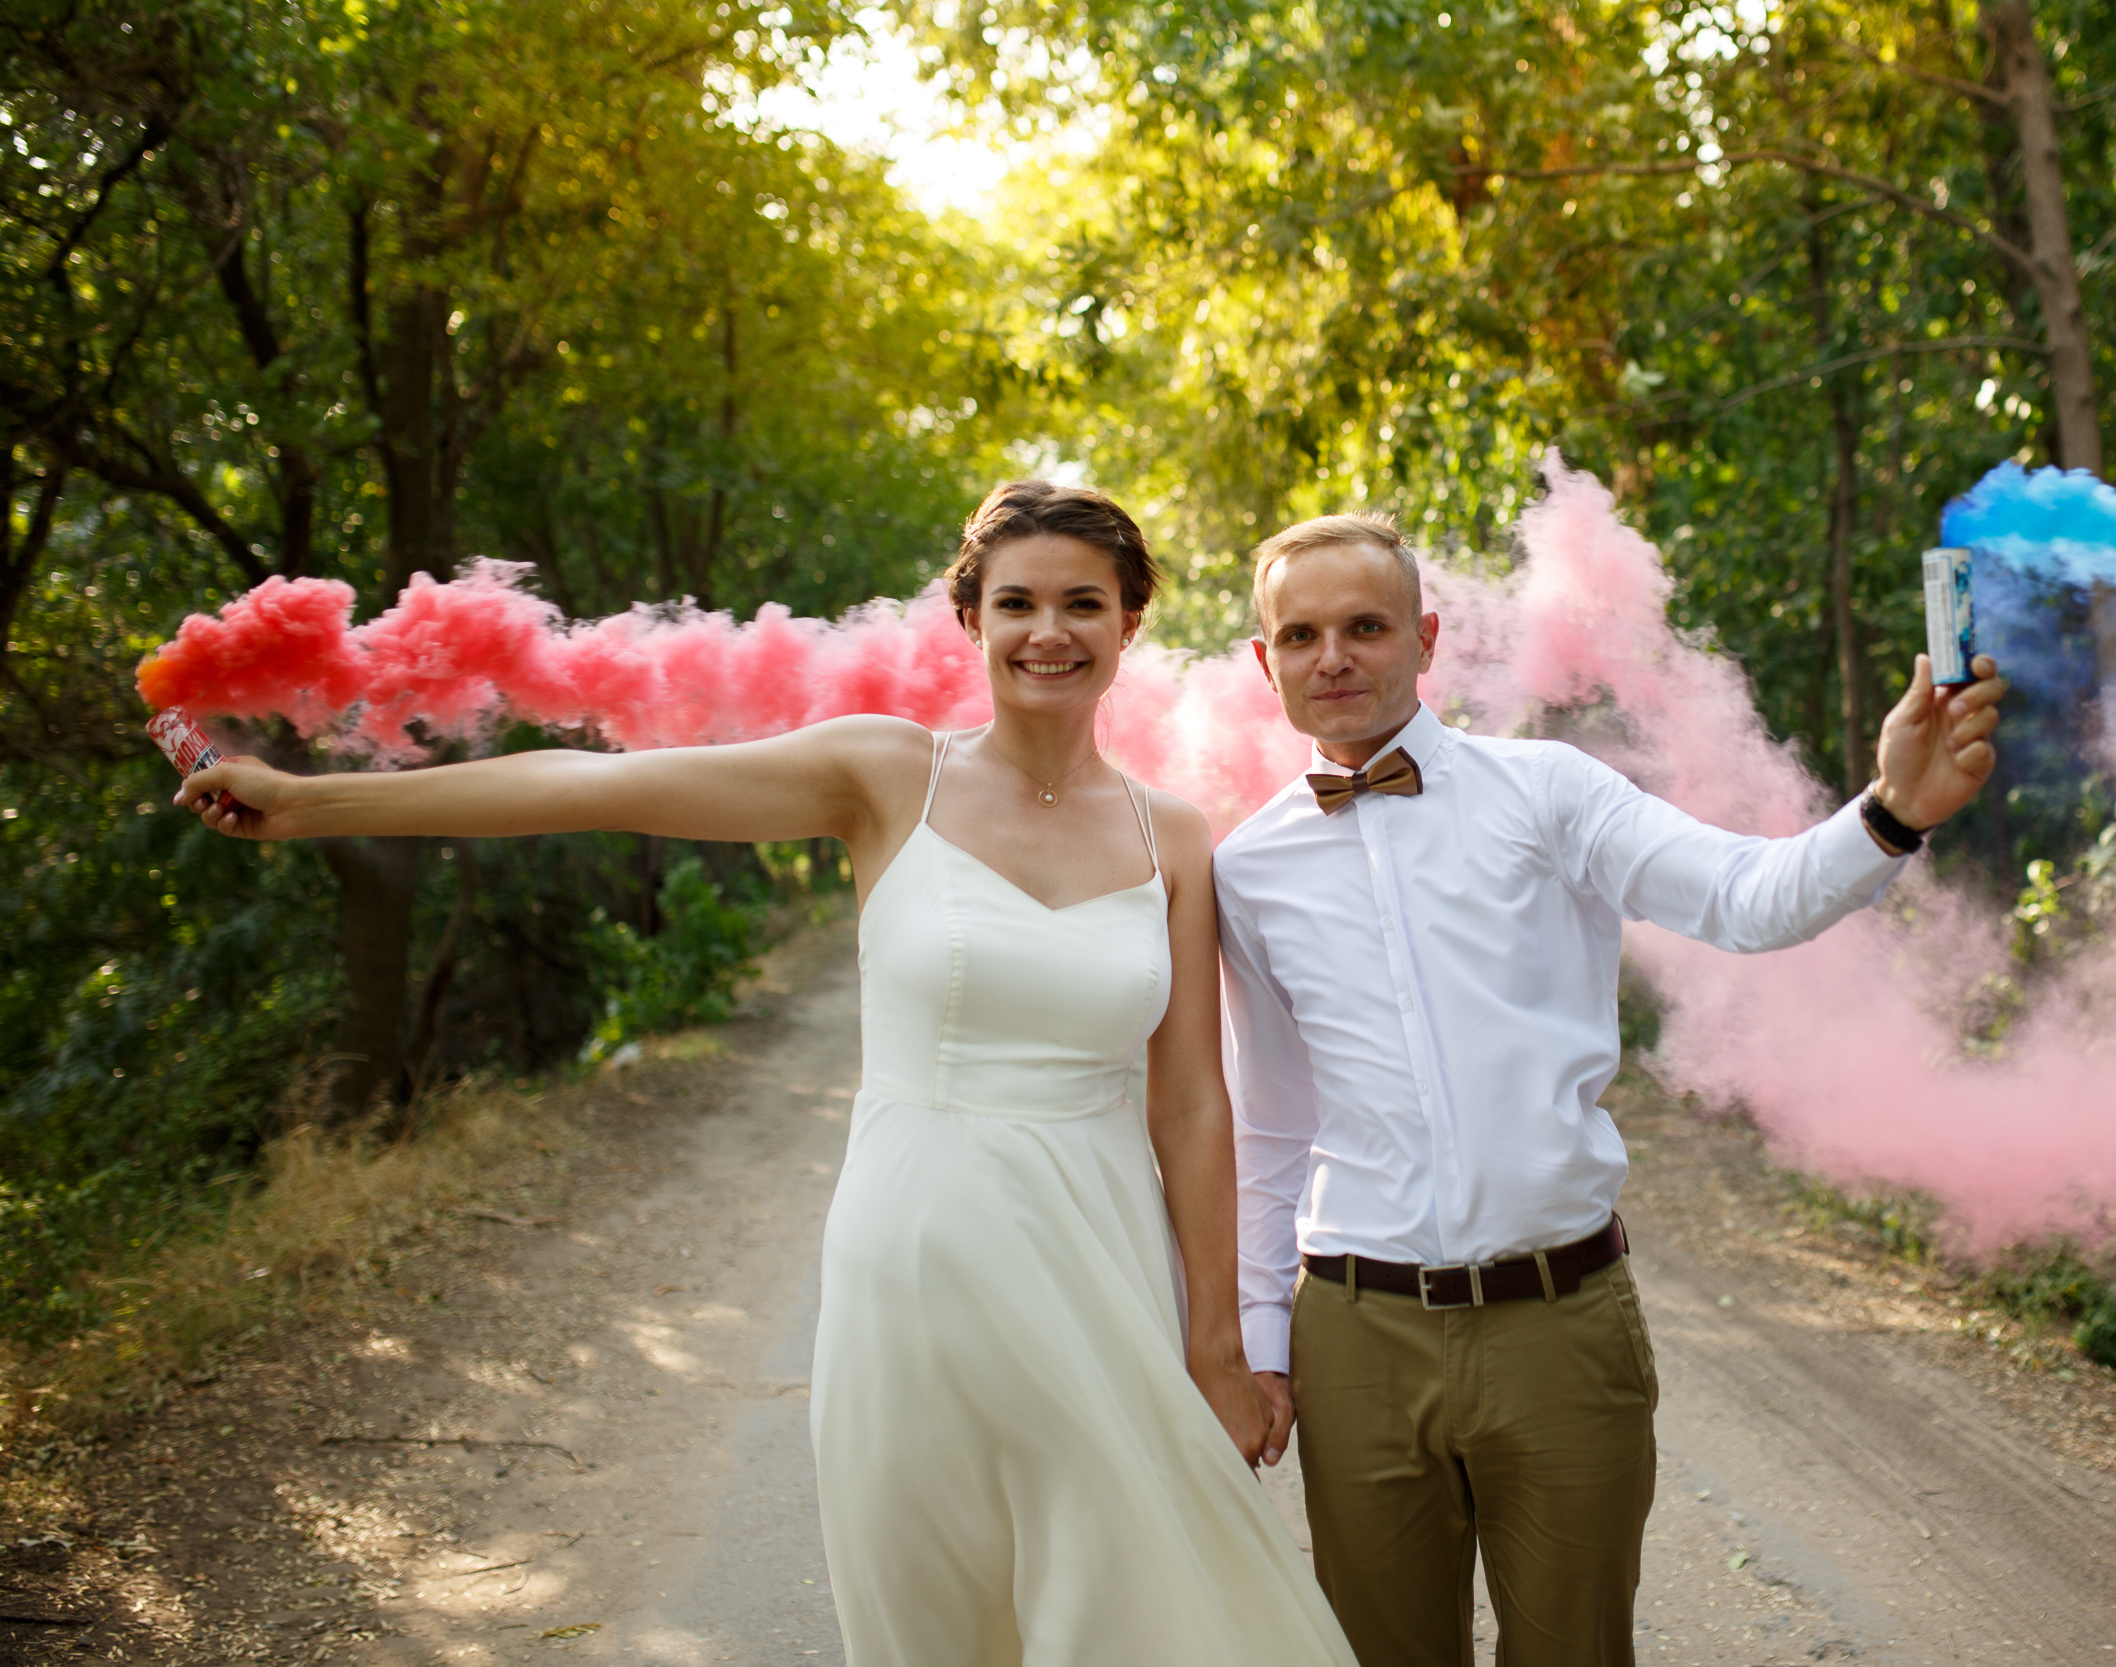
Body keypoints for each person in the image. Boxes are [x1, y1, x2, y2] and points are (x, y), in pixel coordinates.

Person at [174, 481, 1359, 1667]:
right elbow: (596, 789)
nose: (1048, 631)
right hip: (921, 1260)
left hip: (1106, 1258)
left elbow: (1195, 1103)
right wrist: (308, 800)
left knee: (1141, 1597)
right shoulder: (887, 775)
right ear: (970, 619)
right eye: (1017, 602)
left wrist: (1217, 1343)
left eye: (1081, 603)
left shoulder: (1174, 835)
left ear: (1128, 623)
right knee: (944, 1610)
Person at [1216, 511, 2008, 1667]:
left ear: (1425, 637)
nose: (1332, 655)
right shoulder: (1245, 867)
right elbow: (1270, 1120)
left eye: (1365, 625)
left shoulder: (1547, 792)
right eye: (1301, 634)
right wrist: (1260, 1339)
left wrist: (1889, 814)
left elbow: (1746, 894)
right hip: (1354, 1336)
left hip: (1555, 1322)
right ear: (1265, 660)